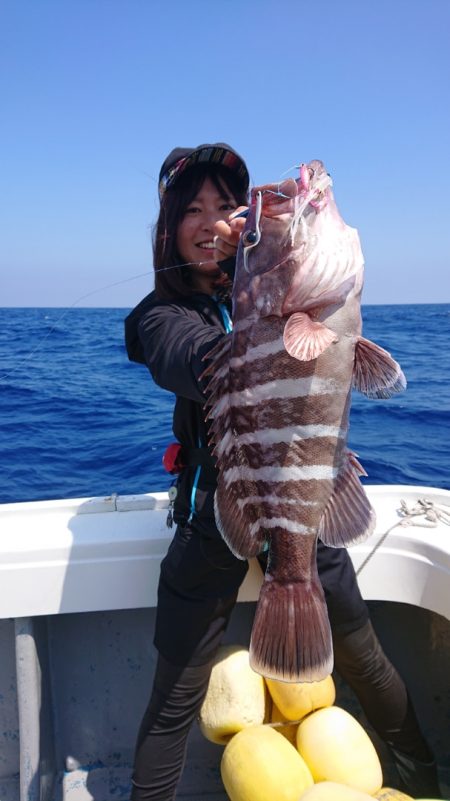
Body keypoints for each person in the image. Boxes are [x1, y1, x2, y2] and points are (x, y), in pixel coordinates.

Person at [124, 143, 442, 801]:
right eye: (193, 209)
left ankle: (421, 773)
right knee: (175, 690)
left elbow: (372, 372)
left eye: (226, 206)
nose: (213, 221)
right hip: (217, 513)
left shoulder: (270, 289)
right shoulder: (164, 316)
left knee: (365, 656)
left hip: (308, 500)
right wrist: (265, 315)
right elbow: (185, 356)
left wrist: (267, 278)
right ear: (169, 226)